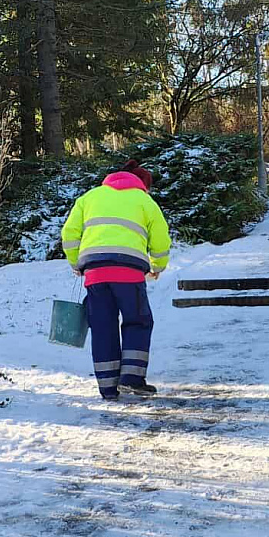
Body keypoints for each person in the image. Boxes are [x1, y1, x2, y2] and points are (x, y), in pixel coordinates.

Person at [60, 160, 171, 401]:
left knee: (102, 327)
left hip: (95, 273)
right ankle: (131, 378)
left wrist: (76, 263)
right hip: (129, 272)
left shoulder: (89, 198)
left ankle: (108, 388)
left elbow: (69, 234)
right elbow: (161, 238)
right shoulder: (144, 201)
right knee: (138, 321)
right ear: (143, 185)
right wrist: (158, 266)